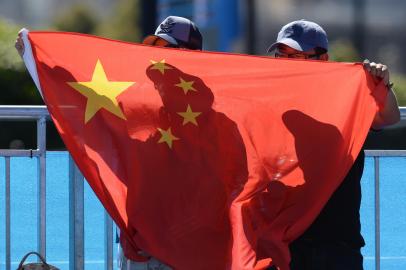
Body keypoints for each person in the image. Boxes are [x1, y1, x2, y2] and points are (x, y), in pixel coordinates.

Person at [15, 15, 203, 270]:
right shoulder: (136, 100)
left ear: (193, 58)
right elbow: (74, 103)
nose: (160, 60)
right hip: (139, 246)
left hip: (187, 248)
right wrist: (34, 61)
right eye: (156, 50)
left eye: (168, 50)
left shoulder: (216, 115)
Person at [267, 20, 400, 270]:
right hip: (284, 244)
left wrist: (382, 84)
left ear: (323, 58)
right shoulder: (269, 96)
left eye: (297, 55)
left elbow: (388, 117)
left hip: (338, 245)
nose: (288, 62)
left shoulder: (346, 93)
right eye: (282, 55)